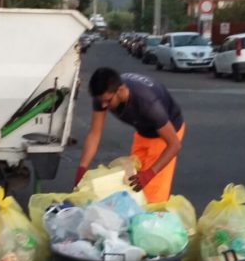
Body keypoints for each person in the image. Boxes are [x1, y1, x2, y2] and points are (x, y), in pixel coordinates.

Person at [74, 68, 185, 203]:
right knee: (132, 181)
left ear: (120, 91)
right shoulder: (103, 95)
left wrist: (150, 174)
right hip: (143, 131)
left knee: (151, 194)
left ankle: (153, 219)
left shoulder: (147, 103)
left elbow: (174, 145)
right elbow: (94, 134)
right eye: (101, 101)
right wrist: (82, 168)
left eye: (108, 101)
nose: (104, 105)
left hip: (166, 135)